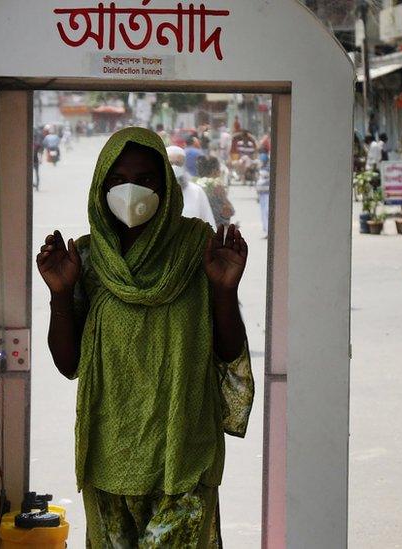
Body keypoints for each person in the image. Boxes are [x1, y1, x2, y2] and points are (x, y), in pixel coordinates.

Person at [36, 128, 253, 547]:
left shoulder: (199, 250)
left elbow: (227, 352)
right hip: (110, 456)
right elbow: (68, 364)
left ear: (166, 187)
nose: (131, 190)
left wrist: (225, 291)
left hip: (183, 455)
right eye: (117, 179)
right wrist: (60, 293)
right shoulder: (85, 258)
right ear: (101, 187)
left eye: (146, 179)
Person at [166, 145, 216, 227]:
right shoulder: (156, 190)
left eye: (178, 164)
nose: (174, 167)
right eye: (170, 163)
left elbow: (208, 221)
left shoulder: (196, 191)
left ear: (184, 166)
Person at [197, 155, 235, 228]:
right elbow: (230, 211)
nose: (220, 171)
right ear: (214, 171)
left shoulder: (195, 185)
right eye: (219, 169)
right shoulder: (217, 187)